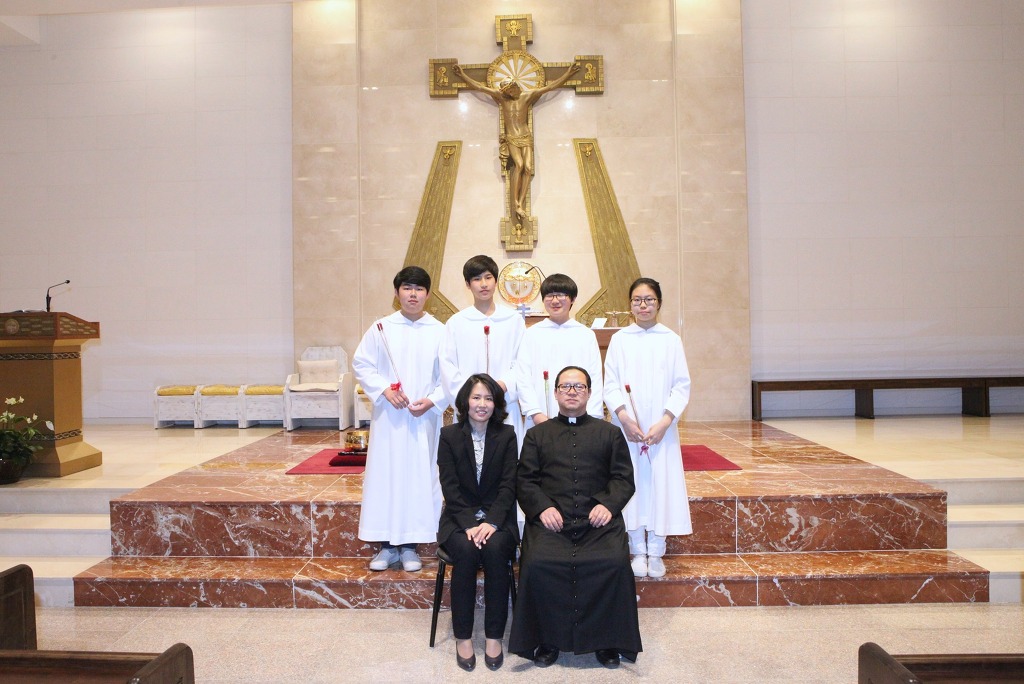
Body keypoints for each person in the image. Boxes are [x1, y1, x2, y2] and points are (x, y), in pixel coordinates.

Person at [509, 366, 641, 669]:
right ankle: (548, 640)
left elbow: (623, 479)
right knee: (538, 562)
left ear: (590, 393)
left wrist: (608, 505)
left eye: (579, 387)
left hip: (598, 524)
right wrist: (542, 508)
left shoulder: (610, 433)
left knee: (613, 563)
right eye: (565, 386)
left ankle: (607, 641)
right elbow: (525, 481)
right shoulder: (536, 435)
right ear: (555, 393)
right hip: (551, 524)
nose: (572, 391)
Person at [351, 266, 448, 573]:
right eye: (407, 288)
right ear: (397, 293)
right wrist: (384, 390)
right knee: (387, 477)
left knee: (418, 479)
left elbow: (450, 375)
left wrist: (432, 400)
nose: (413, 294)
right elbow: (362, 364)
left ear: (428, 295)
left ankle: (410, 546)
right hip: (390, 419)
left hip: (423, 419)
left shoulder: (440, 331)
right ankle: (386, 545)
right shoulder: (381, 328)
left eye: (419, 289)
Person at [604, 277, 692, 579]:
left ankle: (656, 551)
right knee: (632, 484)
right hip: (628, 428)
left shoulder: (671, 339)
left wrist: (665, 422)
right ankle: (637, 550)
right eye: (637, 300)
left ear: (659, 303)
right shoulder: (620, 339)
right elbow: (611, 383)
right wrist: (625, 418)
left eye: (649, 299)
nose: (643, 305)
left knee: (659, 484)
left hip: (660, 429)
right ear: (630, 305)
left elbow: (681, 385)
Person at [436, 374, 519, 672]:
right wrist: (470, 523)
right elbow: (450, 486)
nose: (482, 404)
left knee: (496, 551)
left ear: (496, 404)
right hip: (460, 519)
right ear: (465, 402)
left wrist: (492, 522)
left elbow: (509, 485)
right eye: (476, 397)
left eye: (488, 398)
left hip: (499, 519)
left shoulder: (507, 435)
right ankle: (464, 637)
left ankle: (494, 636)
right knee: (467, 551)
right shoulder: (449, 436)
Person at [452, 62, 580, 220]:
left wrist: (568, 74)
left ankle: (520, 201)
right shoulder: (502, 98)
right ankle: (515, 203)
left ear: (516, 86)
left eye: (512, 89)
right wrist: (462, 75)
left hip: (525, 136)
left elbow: (550, 87)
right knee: (518, 165)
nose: (511, 93)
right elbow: (479, 88)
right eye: (508, 91)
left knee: (528, 168)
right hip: (512, 137)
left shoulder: (527, 96)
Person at [440, 255, 526, 445]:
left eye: (488, 277)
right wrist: (469, 395)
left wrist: (502, 386)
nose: (484, 284)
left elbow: (522, 361)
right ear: (467, 284)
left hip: (504, 402)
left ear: (496, 281)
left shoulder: (513, 321)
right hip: (469, 406)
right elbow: (447, 364)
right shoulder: (457, 322)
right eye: (477, 279)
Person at [515, 273, 603, 429]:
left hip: (581, 421)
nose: (555, 301)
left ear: (573, 299)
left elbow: (595, 377)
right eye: (549, 295)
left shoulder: (585, 335)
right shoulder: (532, 334)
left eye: (561, 295)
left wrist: (590, 418)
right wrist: (535, 413)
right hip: (540, 419)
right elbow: (523, 376)